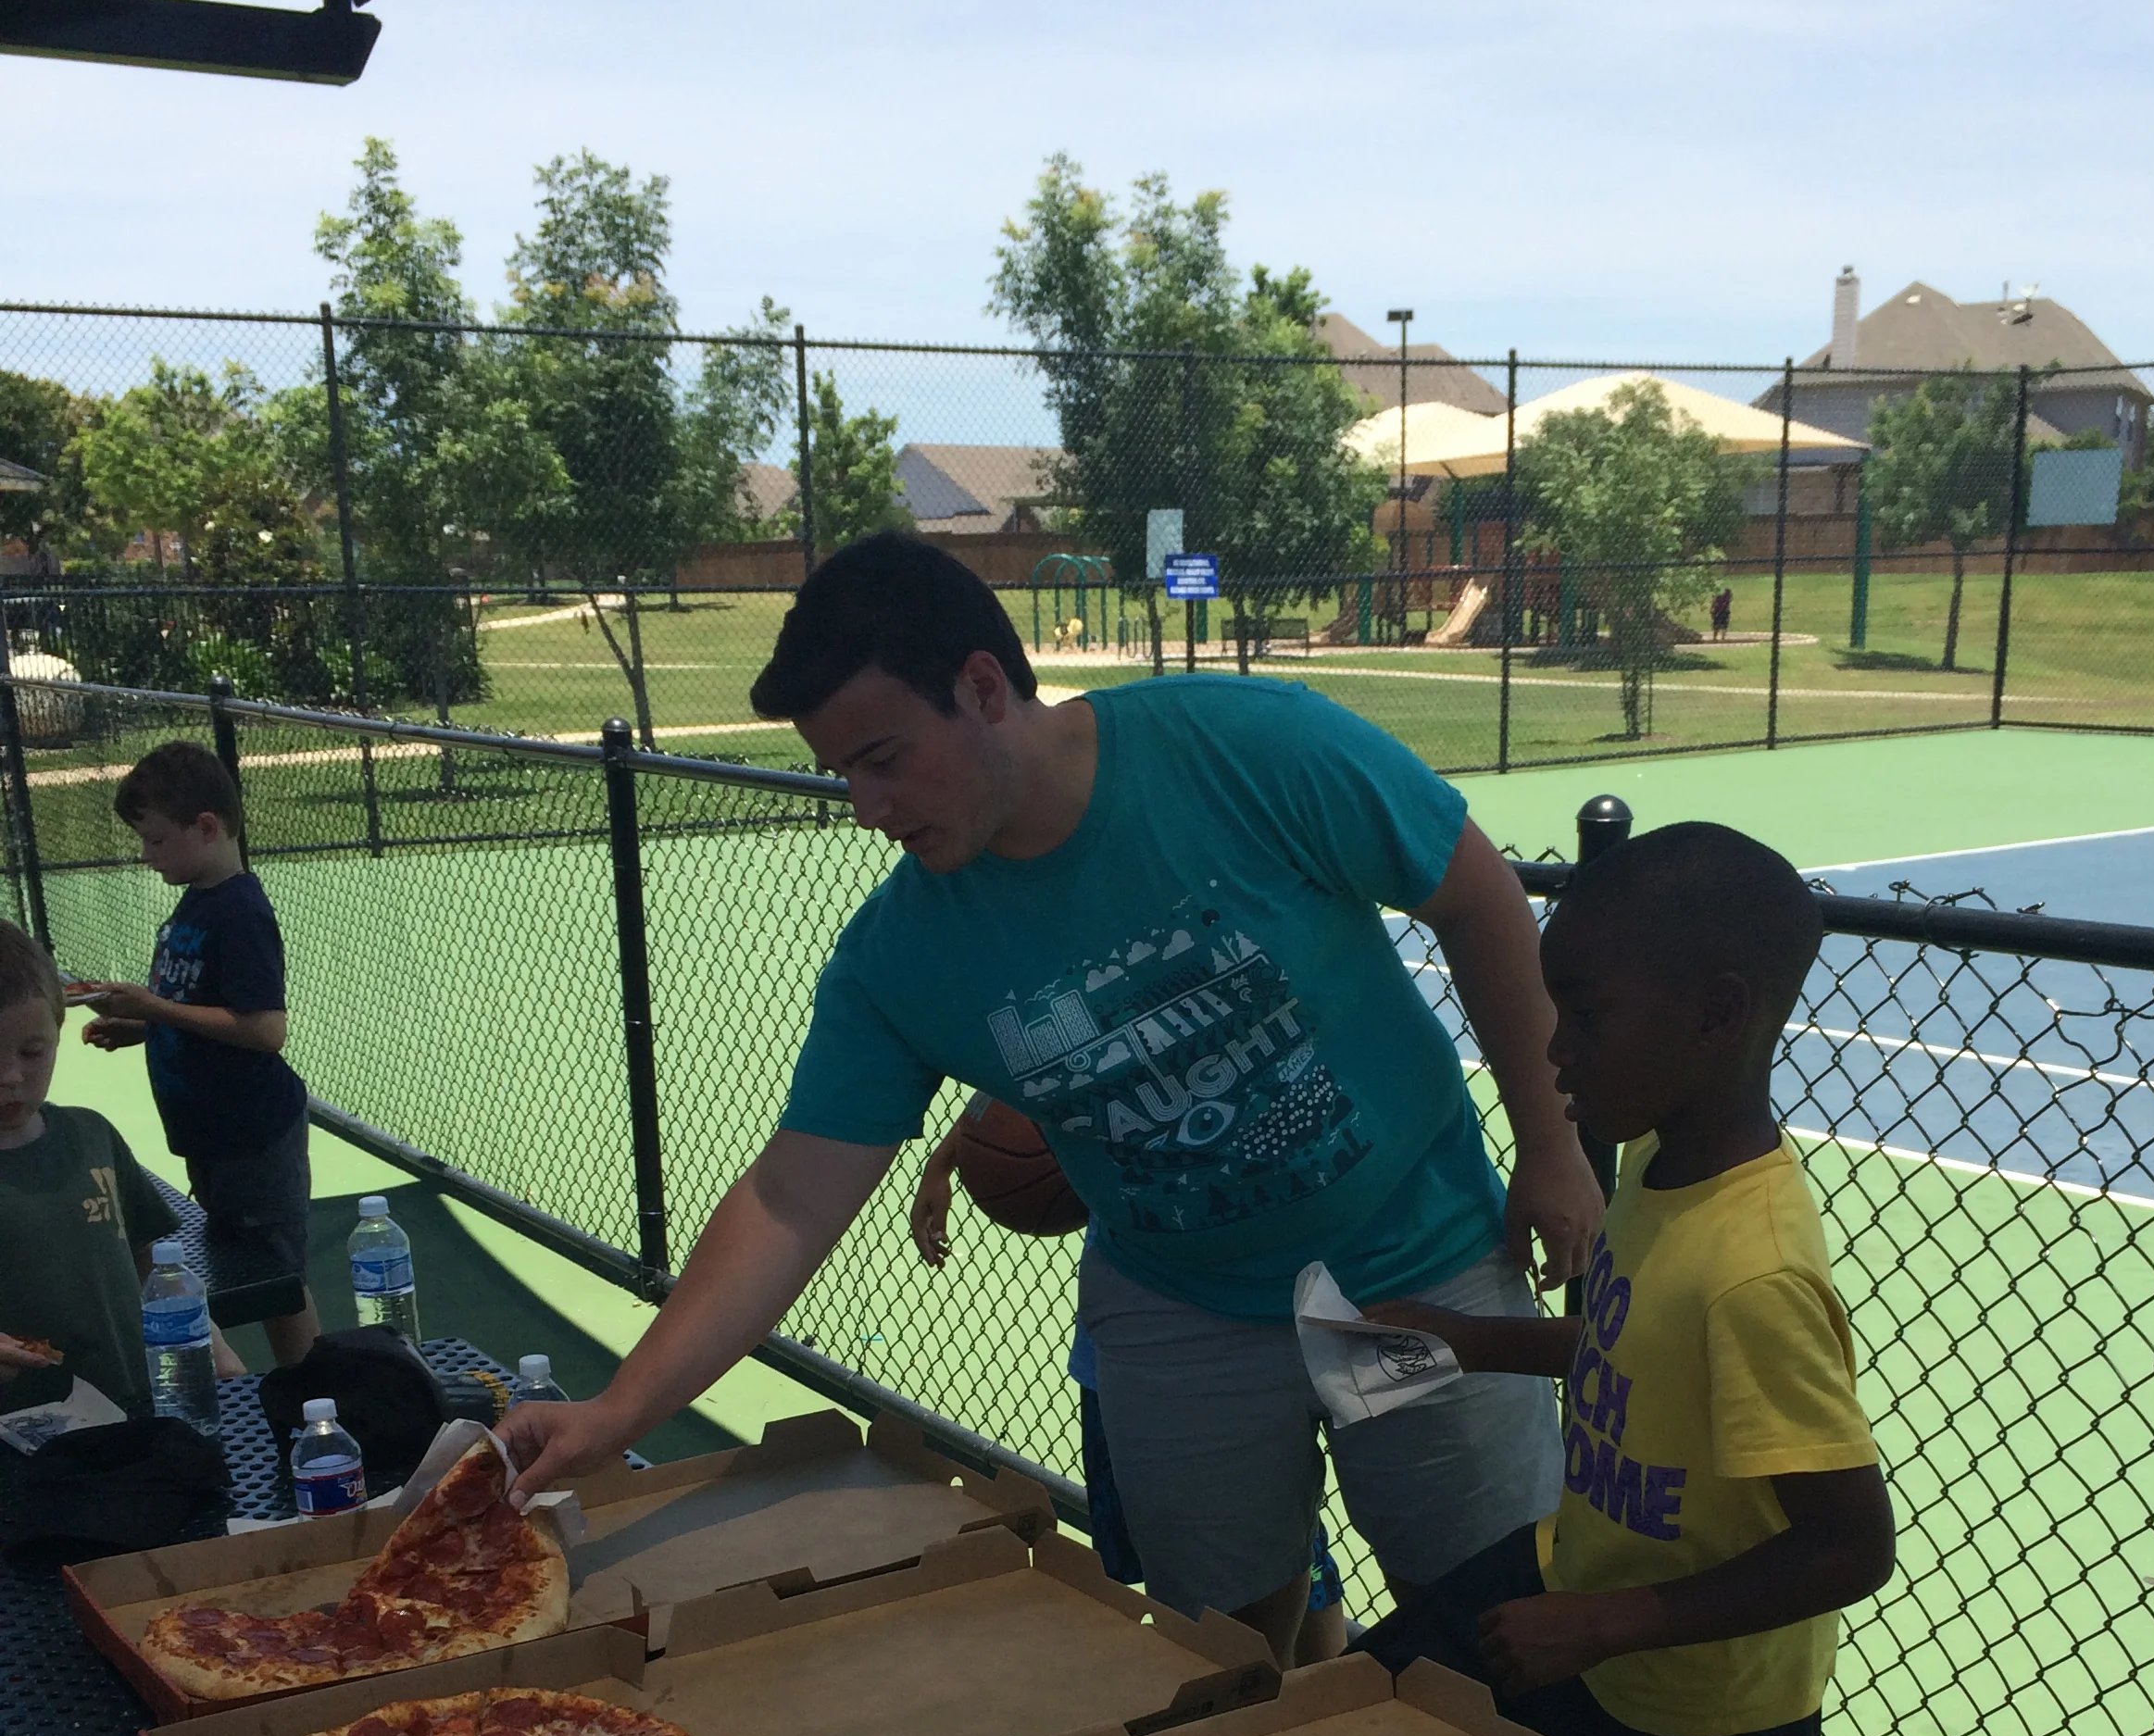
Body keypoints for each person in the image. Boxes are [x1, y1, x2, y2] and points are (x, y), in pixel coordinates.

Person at [504, 535, 1602, 1664]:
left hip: (1416, 1256)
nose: (866, 807)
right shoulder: (901, 953)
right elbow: (792, 1198)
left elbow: (1477, 898)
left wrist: (1551, 1147)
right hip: (1183, 1302)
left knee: (1478, 1622)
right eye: (843, 773)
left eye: (884, 758)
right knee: (1222, 1646)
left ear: (984, 688)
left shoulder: (1249, 746)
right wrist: (618, 1412)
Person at [1358, 823, 1896, 1736]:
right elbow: (1629, 1346)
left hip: (1708, 1718)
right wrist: (1470, 1342)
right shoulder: (1658, 1166)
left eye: (1586, 1015)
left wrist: (1607, 1625)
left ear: (1717, 1013)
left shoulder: (1754, 1275)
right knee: (1359, 1707)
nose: (1550, 1052)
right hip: (1581, 1599)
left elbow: (1850, 1547)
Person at [909, 1098, 1347, 1663]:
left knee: (1278, 1559)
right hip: (1129, 1342)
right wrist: (946, 1160)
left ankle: (1307, 1700)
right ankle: (1291, 1701)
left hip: (1222, 1327)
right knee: (1221, 1563)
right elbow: (1023, 1095)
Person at [77, 741, 318, 1368]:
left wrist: (155, 1009)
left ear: (206, 827)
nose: (146, 855)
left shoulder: (239, 911)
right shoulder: (197, 902)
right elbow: (203, 1007)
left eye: (157, 841)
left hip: (255, 1135)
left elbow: (263, 1029)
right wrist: (142, 1028)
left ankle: (312, 1388)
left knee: (277, 1280)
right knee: (237, 1262)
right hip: (210, 1136)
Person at [0, 918, 178, 1420]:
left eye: (32, 1052)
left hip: (130, 1412)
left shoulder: (91, 1136)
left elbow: (153, 1260)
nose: (10, 1076)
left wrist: (208, 1342)